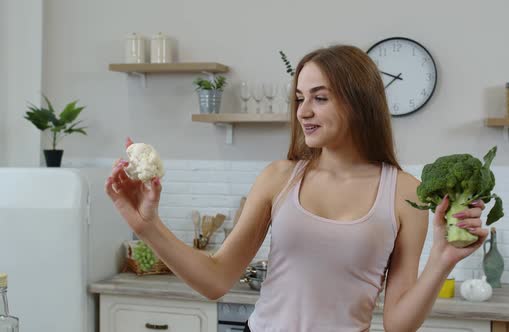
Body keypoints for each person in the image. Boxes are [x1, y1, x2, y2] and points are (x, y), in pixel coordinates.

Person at [105, 45, 488, 332]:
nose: (303, 111)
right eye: (299, 99)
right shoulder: (278, 178)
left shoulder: (406, 193)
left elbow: (398, 324)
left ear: (359, 103)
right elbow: (216, 279)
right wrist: (146, 226)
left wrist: (441, 260)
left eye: (320, 98)